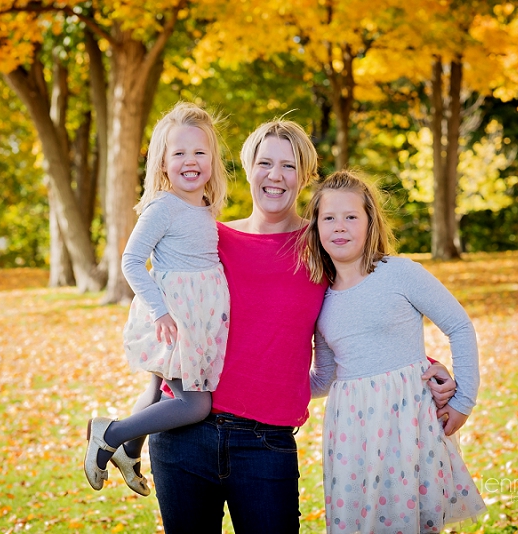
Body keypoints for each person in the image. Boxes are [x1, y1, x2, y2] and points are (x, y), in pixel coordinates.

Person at [147, 120, 457, 533]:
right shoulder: (209, 239)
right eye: (265, 163)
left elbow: (365, 313)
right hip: (182, 437)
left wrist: (422, 364)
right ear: (247, 166)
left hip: (265, 446)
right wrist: (143, 414)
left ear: (306, 175)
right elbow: (169, 325)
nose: (275, 176)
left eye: (289, 166)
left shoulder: (322, 245)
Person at [301, 170, 487, 533]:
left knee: (411, 522)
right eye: (329, 218)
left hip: (407, 424)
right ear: (316, 227)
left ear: (370, 222)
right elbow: (324, 377)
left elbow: (460, 326)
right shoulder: (320, 298)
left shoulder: (399, 274)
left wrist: (463, 400)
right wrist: (265, 386)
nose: (340, 227)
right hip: (351, 433)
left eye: (351, 217)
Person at [84, 102, 230, 497]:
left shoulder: (203, 206)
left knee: (155, 389)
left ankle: (130, 451)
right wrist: (160, 311)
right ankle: (110, 433)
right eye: (179, 153)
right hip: (174, 315)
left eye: (200, 152)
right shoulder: (164, 207)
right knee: (195, 404)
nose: (190, 161)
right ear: (162, 163)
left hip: (195, 314)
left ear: (213, 160)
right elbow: (131, 260)